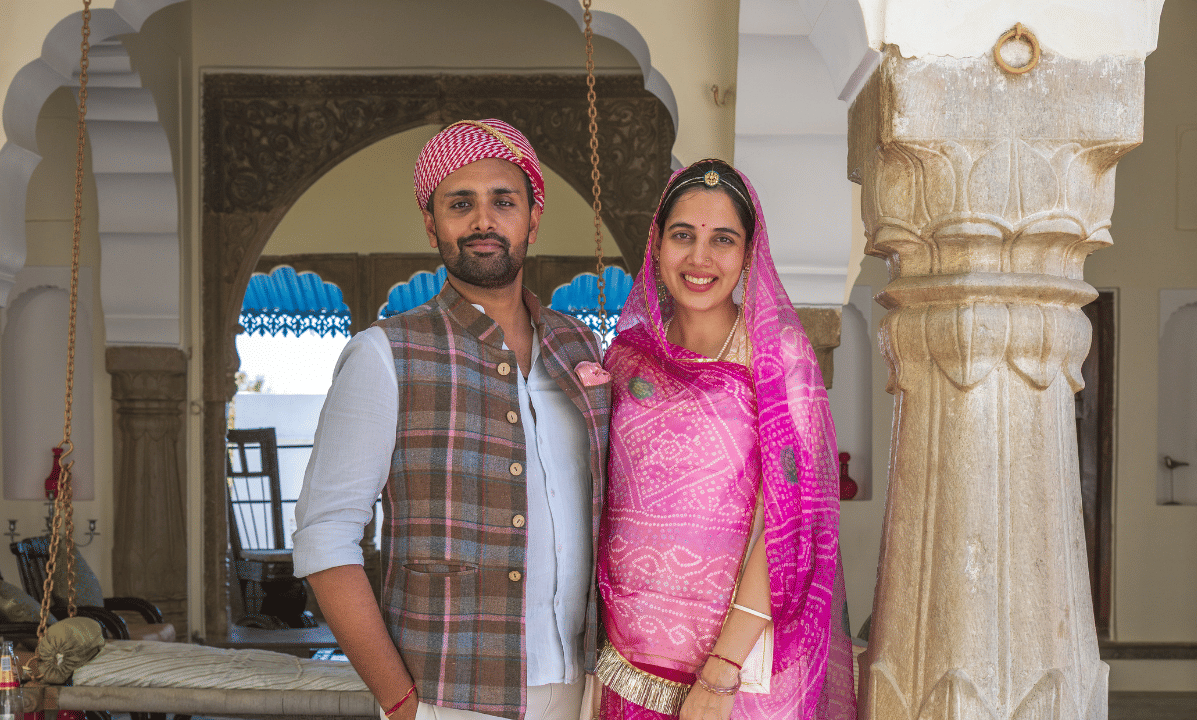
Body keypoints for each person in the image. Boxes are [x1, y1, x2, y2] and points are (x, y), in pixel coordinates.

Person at [293, 119, 611, 720]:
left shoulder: (580, 348)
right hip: (449, 697)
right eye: (460, 203)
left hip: (585, 692)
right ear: (432, 222)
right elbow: (324, 537)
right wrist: (401, 700)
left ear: (533, 219)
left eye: (503, 202)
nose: (483, 221)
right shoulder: (384, 354)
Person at [594, 160, 856, 720]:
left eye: (723, 240)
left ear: (748, 253)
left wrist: (722, 671)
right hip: (631, 662)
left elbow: (790, 522)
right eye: (683, 236)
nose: (699, 258)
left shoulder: (778, 357)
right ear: (656, 243)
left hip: (736, 676)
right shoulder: (627, 356)